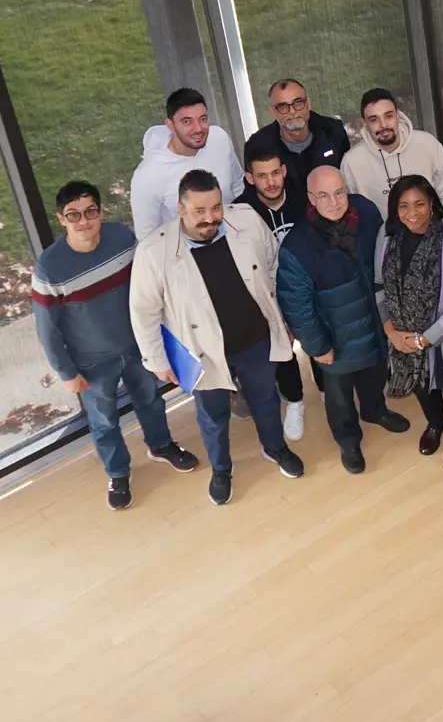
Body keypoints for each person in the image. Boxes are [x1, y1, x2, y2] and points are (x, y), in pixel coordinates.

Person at [129, 169, 304, 505]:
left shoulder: (247, 221)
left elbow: (271, 265)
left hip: (255, 339)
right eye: (199, 211)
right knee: (212, 416)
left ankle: (275, 448)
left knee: (266, 400)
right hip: (203, 352)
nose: (210, 219)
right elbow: (143, 311)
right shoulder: (154, 252)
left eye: (216, 208)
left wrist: (281, 316)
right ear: (180, 209)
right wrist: (157, 361)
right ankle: (221, 469)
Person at [33, 181, 199, 509]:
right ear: (61, 219)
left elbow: (147, 287)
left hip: (138, 346)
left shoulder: (123, 239)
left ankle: (161, 446)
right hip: (92, 362)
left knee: (150, 400)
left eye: (90, 211)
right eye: (74, 214)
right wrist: (66, 372)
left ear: (100, 211)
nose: (84, 220)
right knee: (104, 420)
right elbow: (46, 330)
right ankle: (118, 471)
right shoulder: (49, 268)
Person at [277, 166, 410, 475]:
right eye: (323, 195)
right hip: (334, 337)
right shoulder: (297, 246)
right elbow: (296, 304)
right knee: (338, 399)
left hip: (374, 323)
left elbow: (386, 257)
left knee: (376, 375)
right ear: (311, 199)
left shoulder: (365, 211)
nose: (334, 202)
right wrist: (316, 346)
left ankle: (375, 410)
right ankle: (348, 439)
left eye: (339, 192)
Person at [374, 176, 443, 472]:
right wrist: (391, 332)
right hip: (402, 333)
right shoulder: (386, 237)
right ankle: (437, 422)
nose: (413, 212)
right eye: (404, 205)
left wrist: (424, 339)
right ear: (395, 209)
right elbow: (378, 285)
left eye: (420, 204)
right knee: (422, 385)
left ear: (432, 204)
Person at [236, 141, 314, 440]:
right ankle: (294, 401)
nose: (270, 182)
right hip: (266, 293)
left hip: (306, 286)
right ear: (249, 178)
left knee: (317, 339)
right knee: (282, 351)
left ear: (283, 171)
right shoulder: (239, 213)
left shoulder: (302, 200)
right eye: (261, 176)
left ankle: (323, 387)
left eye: (274, 173)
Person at [130, 88, 243, 241]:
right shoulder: (147, 175)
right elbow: (147, 237)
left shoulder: (219, 138)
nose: (198, 128)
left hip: (236, 239)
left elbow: (238, 185)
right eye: (187, 122)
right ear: (170, 125)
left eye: (203, 119)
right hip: (187, 255)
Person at [343, 88, 443, 219]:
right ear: (364, 123)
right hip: (382, 237)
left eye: (389, 116)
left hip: (430, 230)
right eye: (374, 119)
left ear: (398, 115)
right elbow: (353, 211)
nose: (383, 124)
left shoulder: (428, 145)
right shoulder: (351, 162)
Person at [243, 78, 352, 193]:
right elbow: (253, 195)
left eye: (298, 103)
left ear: (308, 104)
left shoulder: (333, 132)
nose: (293, 111)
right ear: (272, 112)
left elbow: (349, 178)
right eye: (283, 106)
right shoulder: (257, 145)